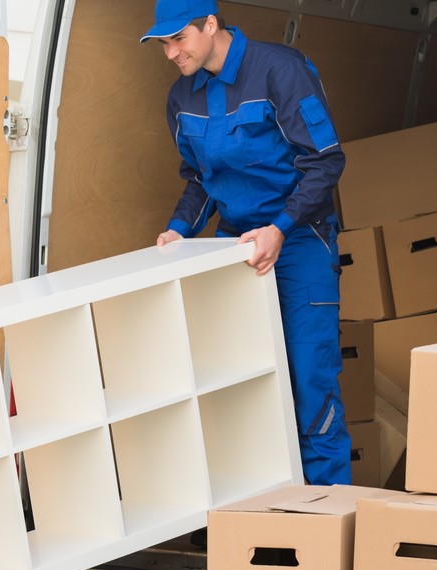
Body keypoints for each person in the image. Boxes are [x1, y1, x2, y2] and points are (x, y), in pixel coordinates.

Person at [142, 0, 351, 485]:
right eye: (164, 43)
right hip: (234, 250)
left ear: (210, 25)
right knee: (244, 388)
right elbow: (200, 180)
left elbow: (326, 161)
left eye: (179, 39)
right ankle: (261, 513)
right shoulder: (181, 98)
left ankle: (327, 512)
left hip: (298, 242)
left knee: (310, 380)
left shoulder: (280, 70)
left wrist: (279, 228)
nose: (171, 53)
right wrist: (178, 230)